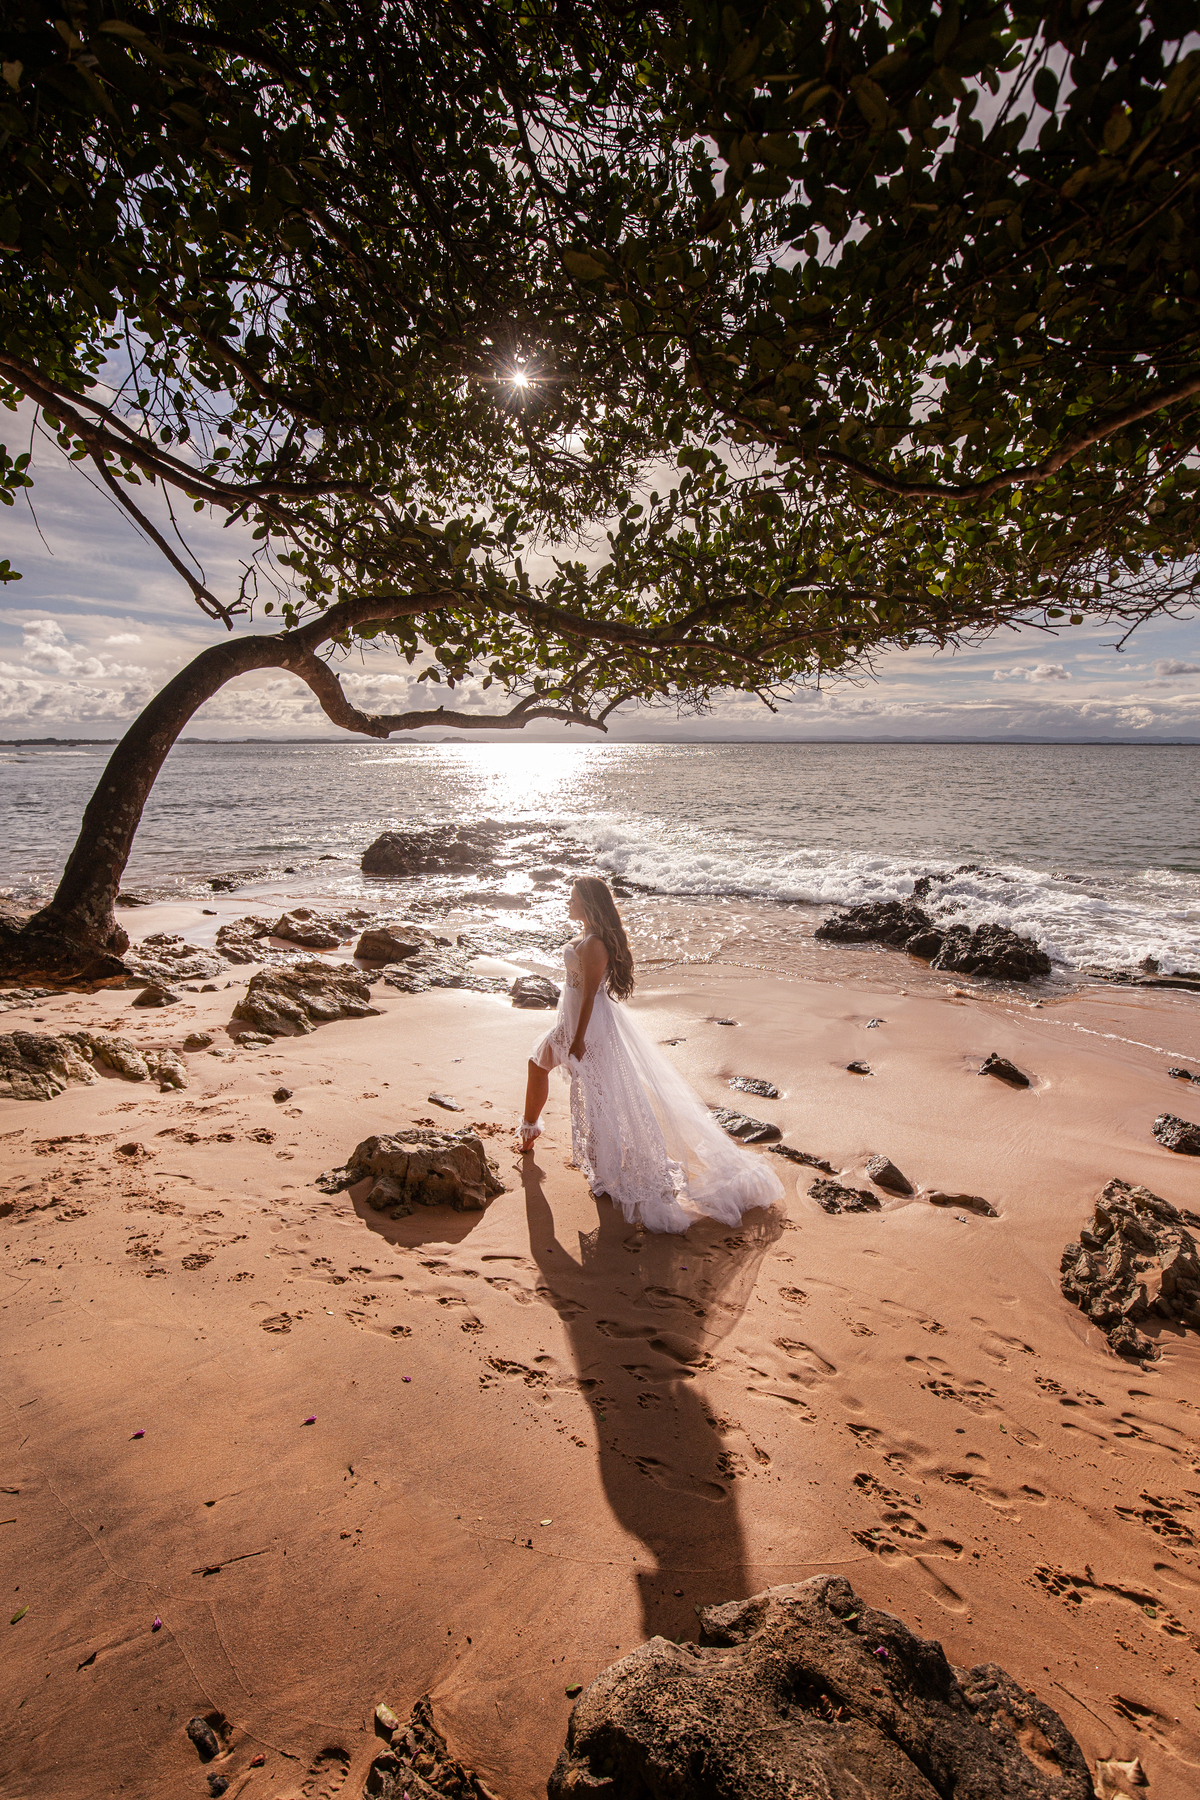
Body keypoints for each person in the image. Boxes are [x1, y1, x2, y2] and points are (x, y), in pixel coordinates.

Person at [517, 877, 783, 1234]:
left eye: (574, 899)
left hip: (586, 1030)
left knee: (598, 1100)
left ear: (589, 905)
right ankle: (532, 1132)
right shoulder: (589, 936)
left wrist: (577, 1039)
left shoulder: (594, 945)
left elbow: (591, 996)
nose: (568, 903)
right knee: (544, 1068)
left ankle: (606, 1175)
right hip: (571, 1026)